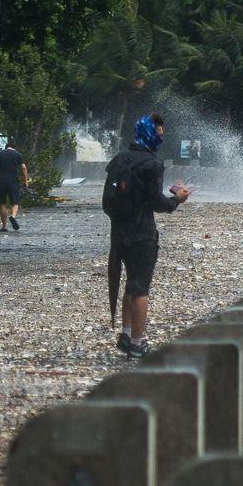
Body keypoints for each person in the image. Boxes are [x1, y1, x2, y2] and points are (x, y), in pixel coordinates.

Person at [101, 113, 192, 358]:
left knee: (129, 283)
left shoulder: (119, 160)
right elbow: (156, 203)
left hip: (119, 232)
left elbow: (109, 200)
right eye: (159, 134)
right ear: (151, 134)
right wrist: (177, 199)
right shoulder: (153, 164)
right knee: (140, 287)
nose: (161, 139)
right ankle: (138, 343)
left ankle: (126, 333)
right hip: (142, 233)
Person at [0, 138, 28, 232]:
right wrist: (25, 180)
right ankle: (13, 216)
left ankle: (4, 226)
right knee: (15, 203)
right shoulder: (17, 154)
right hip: (13, 182)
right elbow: (23, 167)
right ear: (14, 148)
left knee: (2, 203)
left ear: (6, 147)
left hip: (1, 182)